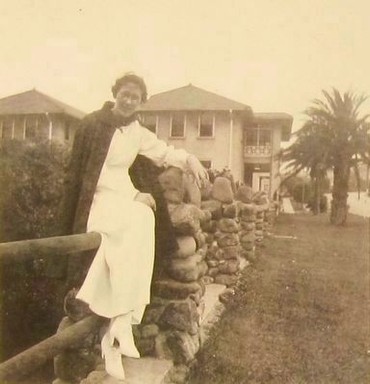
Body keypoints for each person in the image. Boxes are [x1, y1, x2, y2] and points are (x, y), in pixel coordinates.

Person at [51, 73, 208, 380]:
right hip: (95, 199)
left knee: (143, 219)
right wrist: (134, 194)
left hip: (122, 197)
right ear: (115, 94)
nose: (129, 100)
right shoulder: (93, 125)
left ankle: (120, 325)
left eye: (135, 96)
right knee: (124, 226)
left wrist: (190, 159)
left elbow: (164, 152)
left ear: (141, 101)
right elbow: (86, 176)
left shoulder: (137, 131)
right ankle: (116, 328)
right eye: (125, 93)